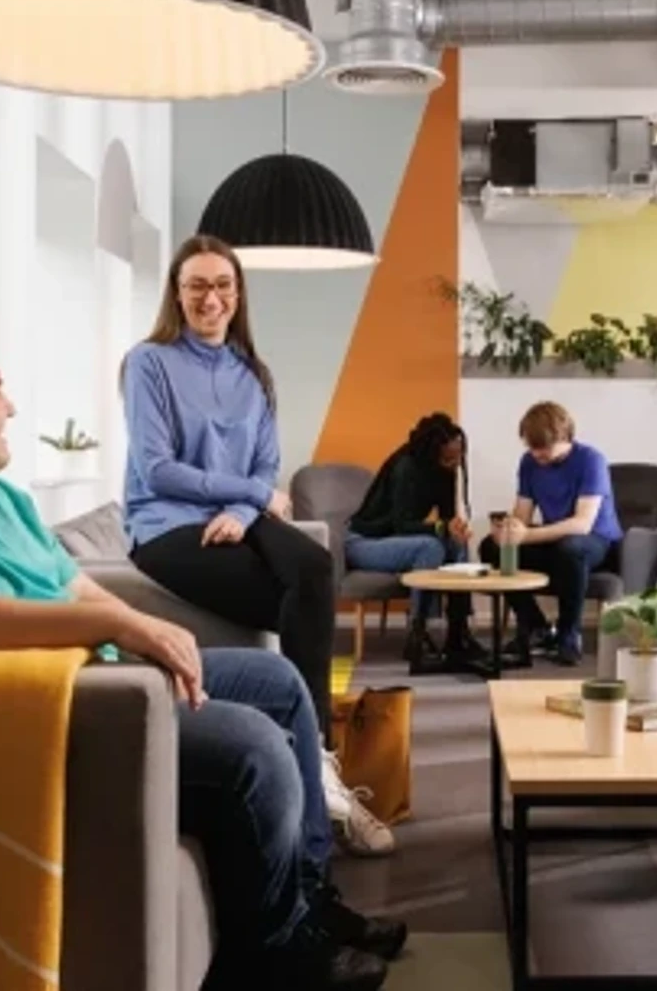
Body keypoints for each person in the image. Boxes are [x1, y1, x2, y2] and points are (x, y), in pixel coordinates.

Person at [0, 325, 403, 990]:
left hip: (91, 678)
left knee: (277, 682)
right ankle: (279, 957)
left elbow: (69, 579)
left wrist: (140, 625)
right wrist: (109, 621)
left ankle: (308, 903)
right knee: (251, 744)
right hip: (30, 722)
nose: (11, 407)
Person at [120, 234, 392, 857]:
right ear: (177, 293)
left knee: (317, 569)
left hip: (233, 514)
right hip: (165, 524)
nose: (209, 298)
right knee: (299, 601)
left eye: (222, 286)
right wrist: (251, 495)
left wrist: (244, 510)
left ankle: (317, 760)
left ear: (238, 295)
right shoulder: (149, 363)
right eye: (197, 286)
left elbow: (268, 468)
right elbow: (157, 468)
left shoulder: (253, 372)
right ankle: (321, 778)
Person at [478, 401, 623, 667]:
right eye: (532, 447)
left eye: (543, 448)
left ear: (564, 437)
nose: (538, 454)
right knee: (491, 547)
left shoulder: (591, 460)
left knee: (571, 549)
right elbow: (522, 514)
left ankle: (569, 636)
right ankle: (536, 628)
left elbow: (582, 524)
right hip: (557, 540)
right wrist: (509, 531)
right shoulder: (529, 462)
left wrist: (527, 536)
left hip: (597, 542)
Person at [345, 412, 486, 673]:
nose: (455, 463)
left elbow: (445, 521)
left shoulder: (447, 471)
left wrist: (455, 527)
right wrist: (442, 527)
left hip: (396, 540)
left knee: (457, 544)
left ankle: (458, 633)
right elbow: (401, 525)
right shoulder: (406, 466)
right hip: (365, 542)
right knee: (429, 546)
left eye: (459, 457)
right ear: (431, 453)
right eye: (449, 458)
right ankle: (419, 633)